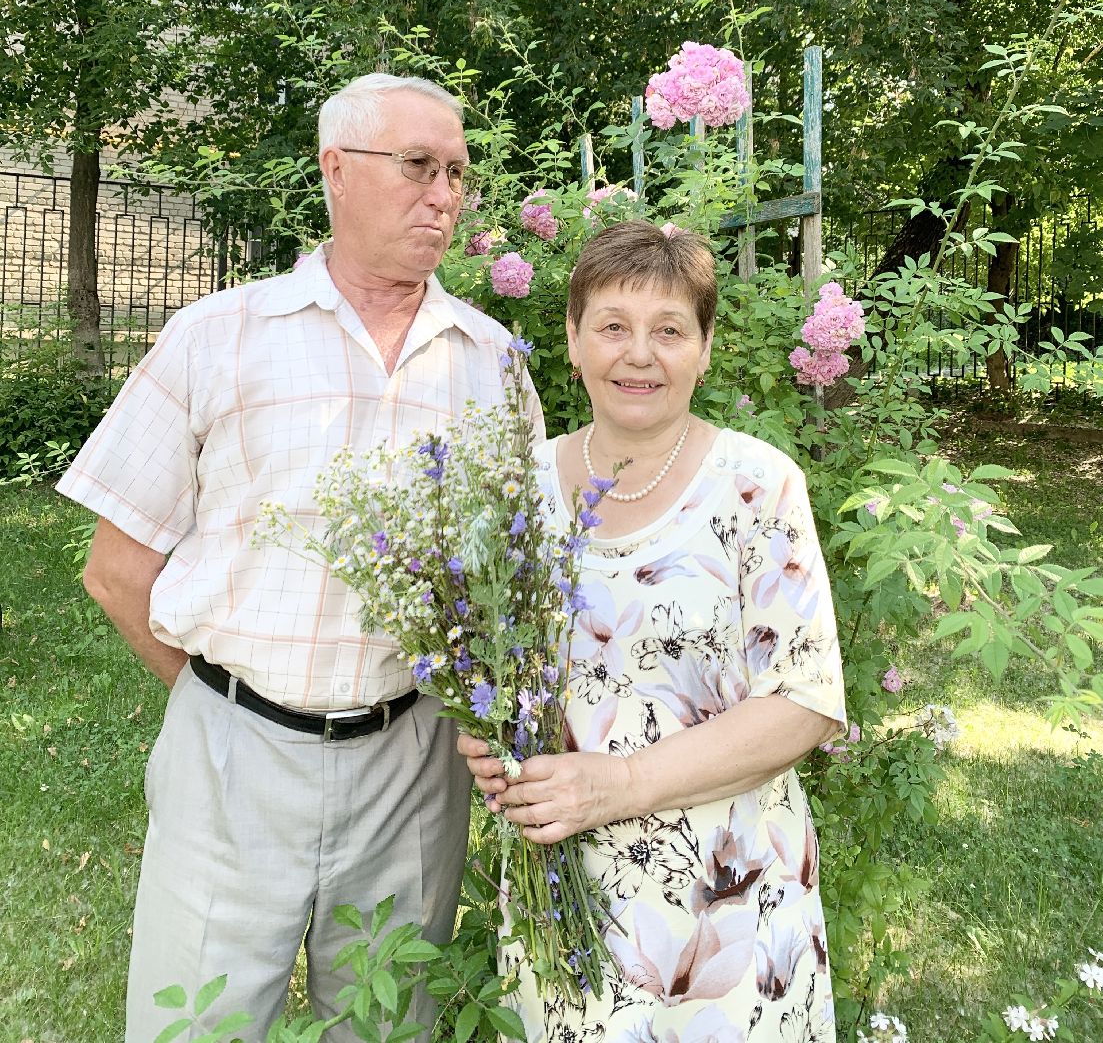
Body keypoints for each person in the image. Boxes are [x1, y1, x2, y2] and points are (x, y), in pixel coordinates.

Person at [57, 73, 543, 1042]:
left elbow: (520, 579)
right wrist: (227, 709)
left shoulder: (490, 363)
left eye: (456, 173)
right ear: (336, 169)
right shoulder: (218, 337)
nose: (443, 195)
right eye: (418, 166)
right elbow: (115, 570)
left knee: (385, 1024)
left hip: (414, 763)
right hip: (230, 755)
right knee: (195, 1023)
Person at [459, 220, 846, 1042]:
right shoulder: (515, 490)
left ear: (703, 350)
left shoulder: (758, 485)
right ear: (572, 341)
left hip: (728, 899)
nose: (639, 354)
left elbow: (805, 703)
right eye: (612, 326)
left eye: (669, 330)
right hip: (564, 894)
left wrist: (623, 783)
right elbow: (497, 674)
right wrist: (490, 741)